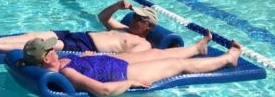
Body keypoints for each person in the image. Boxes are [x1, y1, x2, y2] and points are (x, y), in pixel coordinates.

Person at [18, 34, 241, 96]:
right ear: (46, 59)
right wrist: (130, 82)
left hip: (112, 62)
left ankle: (197, 49)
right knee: (178, 64)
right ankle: (228, 59)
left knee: (156, 52)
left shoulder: (59, 64)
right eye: (50, 49)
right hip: (122, 72)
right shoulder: (67, 72)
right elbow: (103, 91)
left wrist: (86, 56)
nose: (55, 49)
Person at [0, 0, 161, 55]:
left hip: (85, 49)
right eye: (135, 15)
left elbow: (127, 61)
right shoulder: (123, 29)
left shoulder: (144, 46)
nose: (134, 19)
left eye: (139, 19)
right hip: (79, 36)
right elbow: (102, 17)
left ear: (149, 26)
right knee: (31, 34)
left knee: (39, 44)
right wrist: (117, 7)